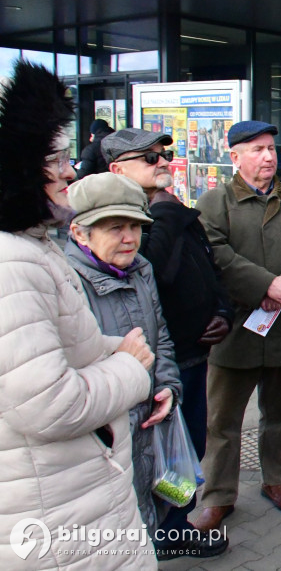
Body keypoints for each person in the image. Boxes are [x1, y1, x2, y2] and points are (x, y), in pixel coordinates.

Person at [0, 59, 157, 568]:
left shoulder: (31, 247)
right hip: (60, 518)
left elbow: (58, 354)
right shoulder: (12, 265)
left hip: (73, 499)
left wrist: (114, 352)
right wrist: (130, 368)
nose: (70, 170)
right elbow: (49, 404)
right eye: (56, 159)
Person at [192, 120, 281, 532]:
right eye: (256, 149)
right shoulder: (212, 204)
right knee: (222, 421)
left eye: (271, 148)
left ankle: (276, 480)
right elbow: (214, 255)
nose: (268, 156)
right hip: (235, 330)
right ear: (234, 157)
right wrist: (264, 284)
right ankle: (218, 497)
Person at [104, 127, 233, 560]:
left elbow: (207, 264)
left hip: (192, 359)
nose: (162, 162)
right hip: (152, 367)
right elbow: (152, 270)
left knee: (187, 450)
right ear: (116, 170)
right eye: (149, 158)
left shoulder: (171, 210)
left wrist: (223, 312)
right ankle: (151, 534)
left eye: (164, 155)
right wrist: (169, 213)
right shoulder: (126, 220)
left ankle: (175, 528)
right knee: (151, 459)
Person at [64, 173, 184, 538]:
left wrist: (166, 385)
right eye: (115, 227)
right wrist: (128, 369)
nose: (130, 238)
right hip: (99, 447)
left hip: (145, 429)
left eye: (135, 225)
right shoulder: (65, 284)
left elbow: (158, 335)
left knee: (146, 522)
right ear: (79, 233)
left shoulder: (140, 269)